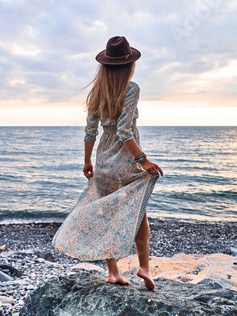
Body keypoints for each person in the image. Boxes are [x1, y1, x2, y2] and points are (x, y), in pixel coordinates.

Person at [52, 36, 163, 291]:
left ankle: (113, 272)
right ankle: (144, 267)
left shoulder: (97, 92)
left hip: (103, 161)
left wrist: (87, 161)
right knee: (138, 212)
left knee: (106, 215)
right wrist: (143, 160)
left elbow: (90, 131)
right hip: (125, 161)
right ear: (128, 65)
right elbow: (125, 132)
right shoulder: (131, 88)